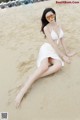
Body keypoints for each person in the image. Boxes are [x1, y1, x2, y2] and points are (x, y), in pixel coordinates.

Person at [15, 7, 76, 108]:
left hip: (55, 51)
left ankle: (33, 77)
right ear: (45, 18)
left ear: (54, 15)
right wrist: (63, 56)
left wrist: (67, 52)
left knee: (59, 65)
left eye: (52, 15)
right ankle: (21, 92)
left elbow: (62, 40)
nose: (50, 17)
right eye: (48, 16)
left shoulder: (59, 24)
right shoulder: (46, 28)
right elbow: (53, 44)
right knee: (44, 67)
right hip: (47, 48)